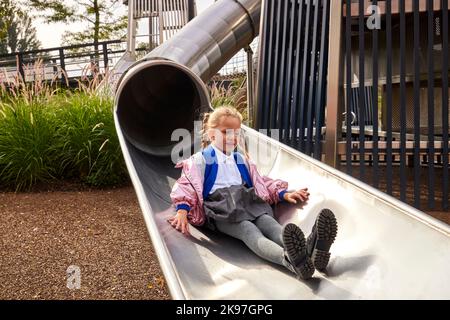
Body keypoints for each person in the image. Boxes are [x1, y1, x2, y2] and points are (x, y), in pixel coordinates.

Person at [169, 106, 337, 279]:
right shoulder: (201, 159)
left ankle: (309, 251)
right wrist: (183, 210)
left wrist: (282, 193)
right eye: (226, 132)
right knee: (248, 230)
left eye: (236, 133)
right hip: (221, 207)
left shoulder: (240, 159)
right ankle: (289, 260)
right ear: (212, 134)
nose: (232, 137)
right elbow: (186, 183)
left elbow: (259, 182)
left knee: (269, 223)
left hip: (247, 200)